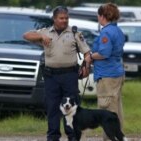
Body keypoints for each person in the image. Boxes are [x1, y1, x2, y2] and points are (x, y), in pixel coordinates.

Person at [23, 6, 90, 141]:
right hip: (51, 76)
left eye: (66, 18)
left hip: (69, 75)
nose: (64, 21)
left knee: (71, 107)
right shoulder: (46, 32)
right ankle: (53, 136)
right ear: (54, 19)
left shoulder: (75, 33)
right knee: (52, 106)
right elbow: (26, 35)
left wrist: (86, 66)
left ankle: (72, 136)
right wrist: (41, 36)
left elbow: (87, 53)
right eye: (61, 18)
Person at [85, 2, 125, 141]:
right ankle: (119, 136)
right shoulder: (118, 30)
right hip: (117, 72)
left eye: (98, 15)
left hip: (107, 74)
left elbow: (104, 53)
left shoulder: (106, 32)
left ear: (103, 16)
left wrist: (90, 57)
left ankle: (109, 138)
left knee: (107, 108)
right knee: (116, 108)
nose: (98, 18)